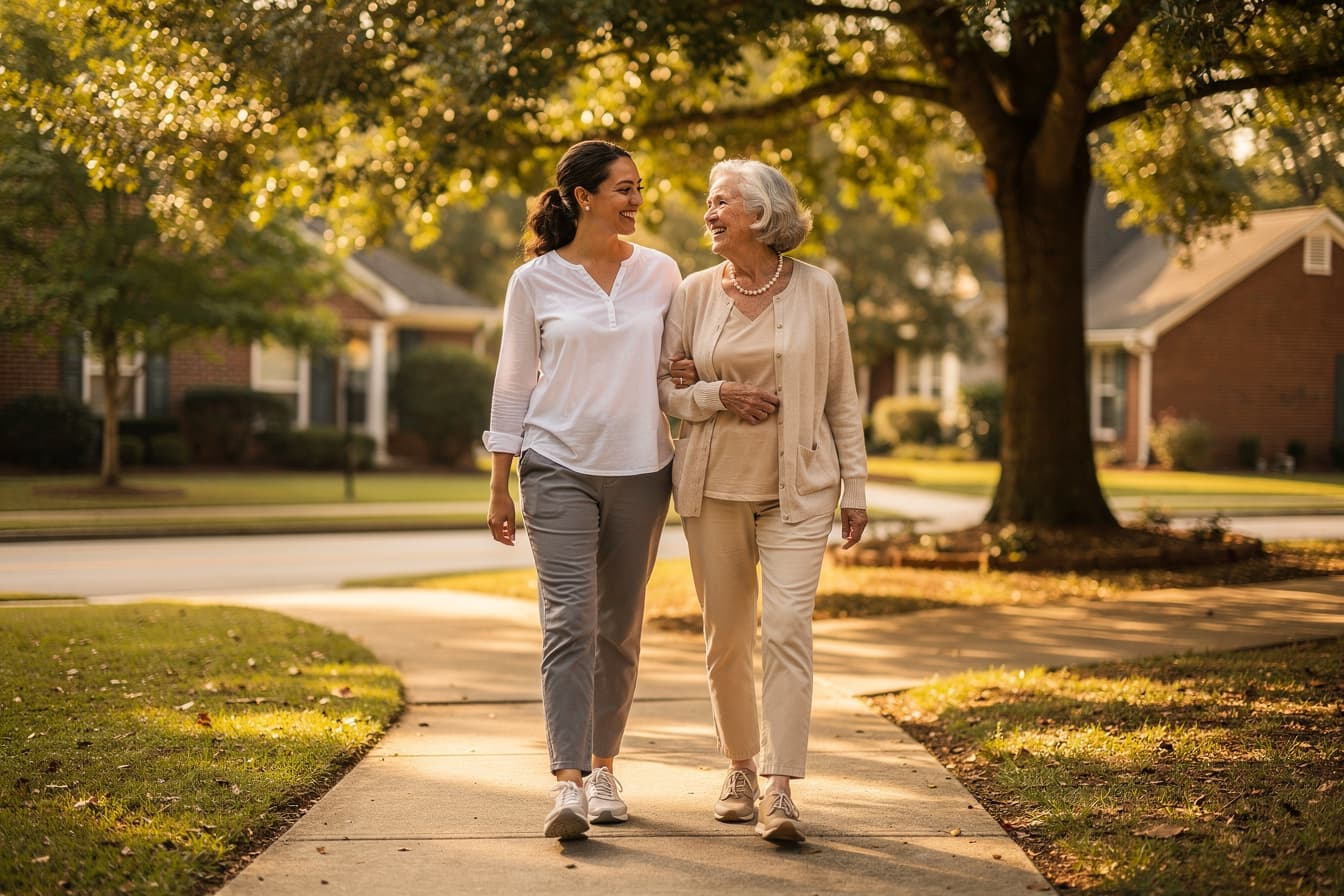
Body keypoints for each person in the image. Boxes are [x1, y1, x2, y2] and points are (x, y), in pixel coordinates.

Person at [483, 140, 696, 840]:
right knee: (568, 619)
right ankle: (569, 783)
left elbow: (677, 367)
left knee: (619, 628)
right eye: (623, 188)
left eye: (639, 187)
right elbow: (513, 382)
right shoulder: (535, 281)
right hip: (556, 465)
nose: (636, 200)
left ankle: (605, 768)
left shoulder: (662, 273)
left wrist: (695, 374)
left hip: (642, 468)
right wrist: (499, 482)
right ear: (583, 197)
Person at [657, 159, 868, 843]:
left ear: (763, 212)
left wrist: (856, 487)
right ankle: (740, 769)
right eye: (709, 203)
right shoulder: (691, 293)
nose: (709, 214)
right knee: (726, 639)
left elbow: (842, 395)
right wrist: (719, 393)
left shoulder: (817, 290)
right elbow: (665, 390)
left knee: (785, 628)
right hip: (712, 488)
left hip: (799, 489)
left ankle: (780, 787)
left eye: (722, 202)